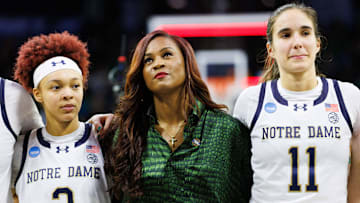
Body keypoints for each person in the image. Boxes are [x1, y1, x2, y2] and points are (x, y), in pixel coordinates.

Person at [101, 30, 252, 202]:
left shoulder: (227, 130)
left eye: (166, 55)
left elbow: (249, 194)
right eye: (148, 60)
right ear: (141, 75)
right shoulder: (126, 133)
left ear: (187, 64)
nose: (157, 64)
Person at [233, 3, 360, 202]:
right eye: (285, 35)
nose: (297, 42)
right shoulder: (250, 101)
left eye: (305, 33)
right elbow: (236, 178)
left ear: (317, 43)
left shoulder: (349, 97)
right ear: (271, 49)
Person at [11, 31, 111, 203]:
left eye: (75, 86)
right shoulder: (18, 150)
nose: (68, 94)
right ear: (37, 94)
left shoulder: (104, 136)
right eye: (56, 87)